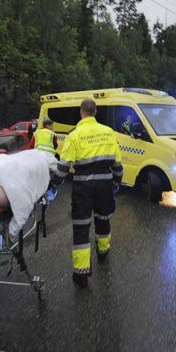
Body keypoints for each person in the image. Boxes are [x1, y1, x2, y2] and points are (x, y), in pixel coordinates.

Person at [52, 98, 123, 288]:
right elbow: (117, 164)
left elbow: (64, 166)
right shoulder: (108, 132)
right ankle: (103, 251)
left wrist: (54, 183)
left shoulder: (74, 135)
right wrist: (117, 181)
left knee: (81, 226)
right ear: (96, 112)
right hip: (104, 183)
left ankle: (81, 274)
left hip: (83, 184)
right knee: (103, 219)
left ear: (81, 112)